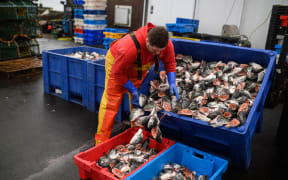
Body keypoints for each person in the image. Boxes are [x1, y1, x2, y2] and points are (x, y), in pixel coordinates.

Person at [95, 22, 179, 145]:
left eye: (159, 51)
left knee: (139, 103)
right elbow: (117, 73)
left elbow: (170, 63)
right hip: (117, 64)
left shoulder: (167, 45)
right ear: (147, 41)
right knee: (111, 103)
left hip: (139, 68)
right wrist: (132, 89)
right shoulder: (128, 47)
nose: (156, 54)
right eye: (154, 50)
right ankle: (101, 140)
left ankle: (136, 132)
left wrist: (172, 82)